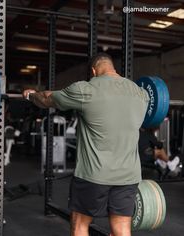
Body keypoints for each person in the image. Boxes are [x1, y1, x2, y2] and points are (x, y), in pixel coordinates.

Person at [23, 53, 149, 236]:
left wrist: (30, 95)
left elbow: (46, 99)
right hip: (128, 176)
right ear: (113, 68)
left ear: (93, 71)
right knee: (122, 229)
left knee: (80, 225)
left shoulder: (85, 89)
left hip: (94, 175)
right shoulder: (141, 94)